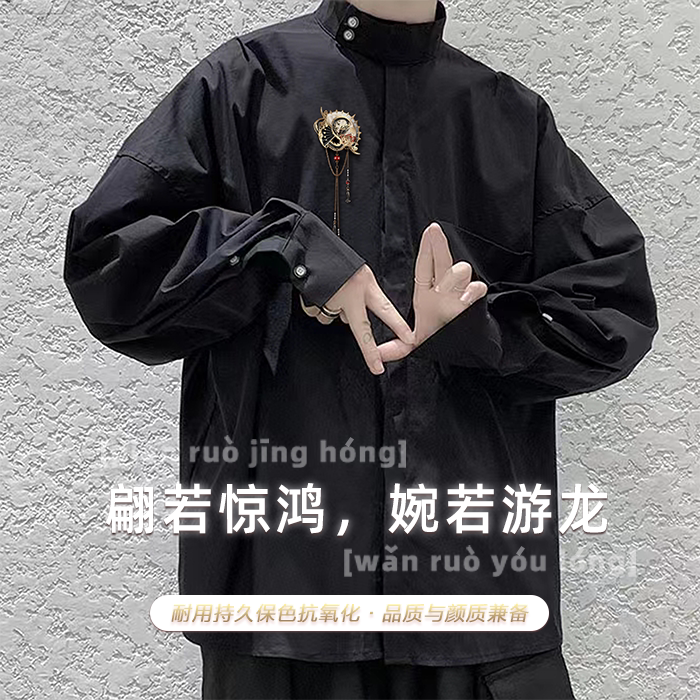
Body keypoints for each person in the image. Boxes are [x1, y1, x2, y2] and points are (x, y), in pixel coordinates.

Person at [63, 0, 659, 697]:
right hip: (280, 601)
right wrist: (285, 251)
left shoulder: (508, 120)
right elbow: (109, 263)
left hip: (472, 605)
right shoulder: (247, 84)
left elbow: (613, 308)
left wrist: (480, 326)